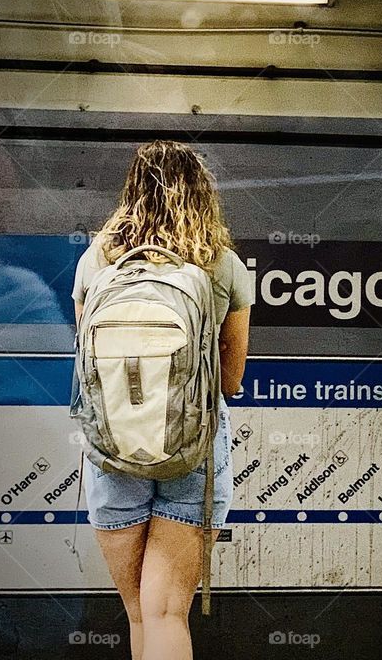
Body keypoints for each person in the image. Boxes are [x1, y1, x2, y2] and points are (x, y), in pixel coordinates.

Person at [71, 140, 253, 660]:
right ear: (202, 193)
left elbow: (90, 368)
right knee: (167, 613)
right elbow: (230, 380)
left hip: (114, 448)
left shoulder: (96, 260)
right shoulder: (223, 265)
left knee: (138, 613)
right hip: (193, 447)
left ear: (131, 191)